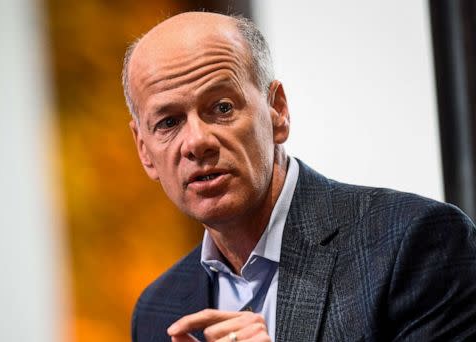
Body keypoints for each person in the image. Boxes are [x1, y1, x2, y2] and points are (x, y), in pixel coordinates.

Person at [122, 11, 476, 342]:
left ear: (278, 111)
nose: (197, 142)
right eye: (169, 122)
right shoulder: (157, 310)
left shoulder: (415, 244)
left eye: (222, 108)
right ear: (144, 150)